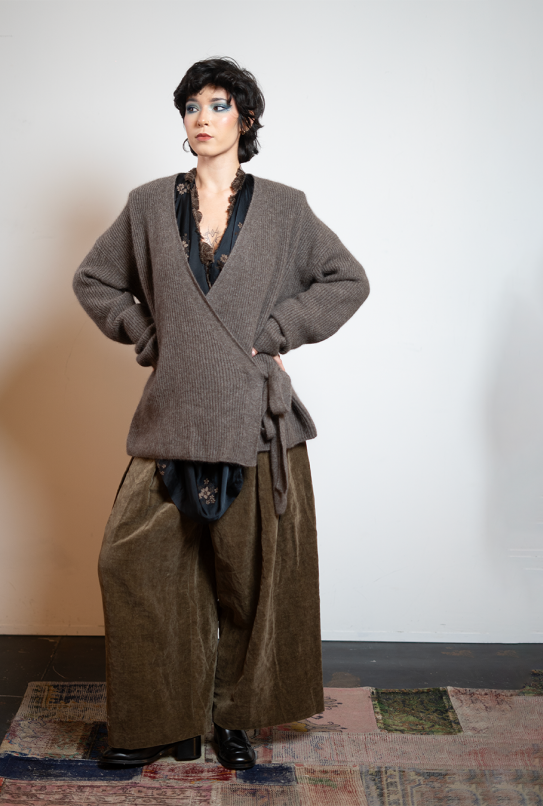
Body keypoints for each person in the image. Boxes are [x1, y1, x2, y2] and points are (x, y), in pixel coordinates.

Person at [73, 56, 369, 770]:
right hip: (172, 414)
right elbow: (95, 280)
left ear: (246, 118)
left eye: (218, 105)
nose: (202, 119)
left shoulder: (285, 209)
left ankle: (235, 717)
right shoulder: (148, 205)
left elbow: (347, 279)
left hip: (254, 422)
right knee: (135, 568)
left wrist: (276, 332)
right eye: (191, 107)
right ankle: (161, 719)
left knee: (254, 582)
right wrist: (149, 335)